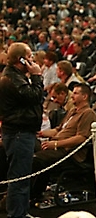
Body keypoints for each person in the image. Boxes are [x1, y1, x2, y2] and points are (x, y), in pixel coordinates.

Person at [32, 83, 96, 204]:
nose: (72, 95)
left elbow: (81, 138)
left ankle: (33, 193)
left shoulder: (88, 114)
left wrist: (57, 144)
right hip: (57, 146)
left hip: (69, 152)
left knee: (37, 159)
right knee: (29, 148)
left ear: (85, 96)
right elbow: (58, 130)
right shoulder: (72, 111)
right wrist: (41, 133)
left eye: (76, 93)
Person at [0, 42, 43, 218]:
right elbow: (33, 96)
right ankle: (17, 215)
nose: (33, 60)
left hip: (20, 131)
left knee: (23, 176)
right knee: (19, 177)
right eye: (30, 57)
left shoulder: (14, 76)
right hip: (19, 133)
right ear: (22, 59)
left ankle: (21, 213)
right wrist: (37, 77)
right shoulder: (12, 79)